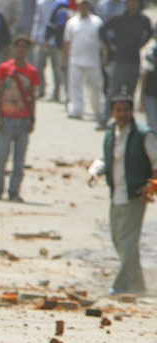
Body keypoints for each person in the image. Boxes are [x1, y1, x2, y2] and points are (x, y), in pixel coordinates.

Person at [88, 96, 156, 294]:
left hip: (135, 195)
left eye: (125, 109)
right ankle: (138, 284)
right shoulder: (111, 133)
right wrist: (95, 171)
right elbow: (108, 158)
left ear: (131, 111)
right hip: (116, 194)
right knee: (118, 239)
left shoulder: (143, 134)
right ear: (112, 112)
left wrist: (150, 187)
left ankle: (121, 285)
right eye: (118, 110)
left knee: (127, 241)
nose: (122, 113)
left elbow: (156, 164)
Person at [0, 35, 39, 201]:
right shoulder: (5, 68)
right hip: (6, 117)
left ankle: (14, 191)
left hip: (23, 119)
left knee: (19, 160)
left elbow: (32, 97)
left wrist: (32, 118)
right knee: (2, 157)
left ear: (28, 50)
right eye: (18, 46)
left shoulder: (32, 71)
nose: (21, 50)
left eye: (24, 47)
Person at [101, 0, 152, 109]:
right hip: (120, 59)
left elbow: (150, 33)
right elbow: (102, 30)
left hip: (134, 59)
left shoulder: (142, 20)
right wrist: (110, 46)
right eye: (130, 2)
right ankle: (105, 118)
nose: (133, 4)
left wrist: (141, 44)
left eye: (135, 2)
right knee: (114, 90)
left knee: (130, 92)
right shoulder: (119, 17)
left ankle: (127, 120)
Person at [63, 0, 105, 124]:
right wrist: (64, 59)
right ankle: (77, 110)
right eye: (82, 5)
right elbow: (66, 41)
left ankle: (98, 110)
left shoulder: (97, 22)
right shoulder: (72, 22)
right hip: (75, 59)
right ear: (78, 6)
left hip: (93, 60)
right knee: (75, 86)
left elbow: (102, 43)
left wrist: (104, 57)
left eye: (86, 5)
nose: (84, 7)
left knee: (95, 87)